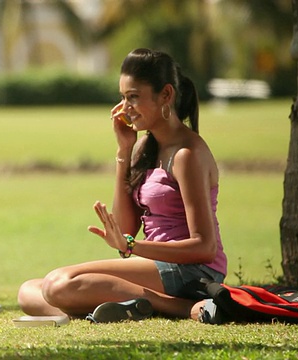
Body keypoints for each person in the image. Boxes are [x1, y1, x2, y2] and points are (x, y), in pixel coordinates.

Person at [17, 48, 227, 322]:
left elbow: (204, 248)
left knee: (58, 284)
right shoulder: (145, 148)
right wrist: (124, 150)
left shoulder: (187, 155)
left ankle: (177, 308)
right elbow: (127, 229)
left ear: (165, 95)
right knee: (29, 291)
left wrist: (132, 247)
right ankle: (115, 308)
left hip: (193, 271)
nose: (125, 108)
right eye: (123, 98)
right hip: (154, 265)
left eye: (134, 97)